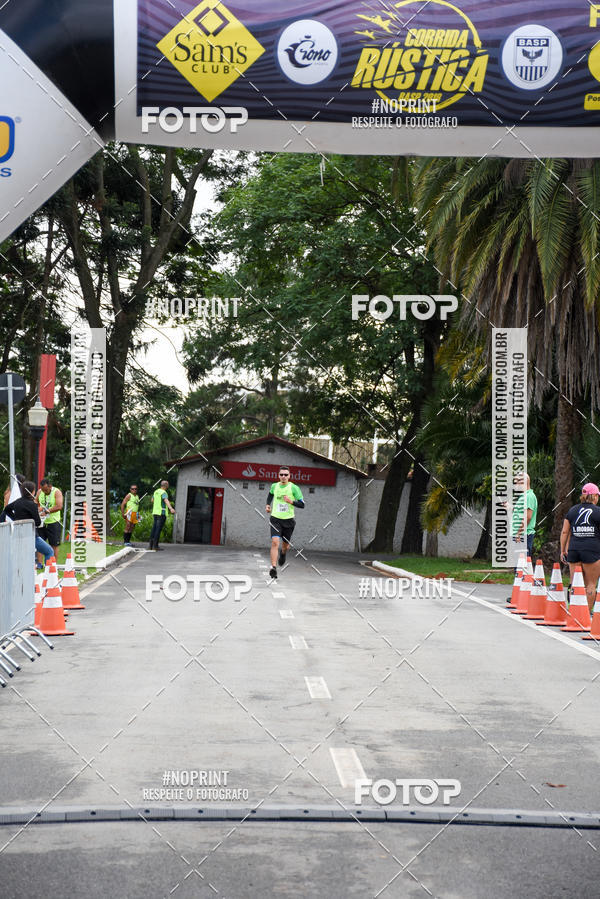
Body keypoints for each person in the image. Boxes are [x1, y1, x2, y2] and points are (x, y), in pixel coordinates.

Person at [560, 483, 600, 613]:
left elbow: (565, 532)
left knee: (575, 583)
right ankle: (586, 614)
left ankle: (574, 611)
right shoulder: (598, 512)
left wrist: (562, 550)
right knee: (591, 584)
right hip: (592, 551)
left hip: (574, 550)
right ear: (594, 496)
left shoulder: (572, 510)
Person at [0, 480, 53, 568]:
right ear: (32, 491)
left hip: (18, 534)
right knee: (49, 551)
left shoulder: (17, 502)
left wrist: (15, 519)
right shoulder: (32, 504)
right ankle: (49, 574)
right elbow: (38, 522)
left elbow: (6, 509)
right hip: (31, 535)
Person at [265, 466, 305, 579]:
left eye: (285, 475)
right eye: (281, 474)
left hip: (288, 521)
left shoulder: (294, 488)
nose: (283, 476)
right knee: (275, 542)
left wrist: (291, 501)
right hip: (275, 519)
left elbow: (302, 504)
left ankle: (283, 554)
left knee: (285, 546)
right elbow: (270, 495)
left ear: (289, 476)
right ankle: (273, 568)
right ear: (278, 475)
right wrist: (268, 505)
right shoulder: (274, 486)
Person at [511, 472, 537, 559]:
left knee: (522, 565)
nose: (516, 483)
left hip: (523, 534)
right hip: (521, 534)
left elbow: (528, 517)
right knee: (518, 565)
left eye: (518, 481)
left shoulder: (529, 496)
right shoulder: (523, 496)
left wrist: (519, 533)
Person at [37, 478, 63, 559]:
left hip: (53, 522)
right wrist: (39, 509)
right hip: (42, 522)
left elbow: (59, 506)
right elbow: (36, 502)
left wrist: (47, 511)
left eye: (46, 490)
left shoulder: (57, 492)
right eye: (42, 490)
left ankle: (53, 564)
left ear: (50, 486)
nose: (44, 492)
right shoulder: (39, 492)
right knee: (40, 542)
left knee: (54, 544)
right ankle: (39, 564)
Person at [148, 480, 174, 551]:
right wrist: (171, 508)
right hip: (161, 513)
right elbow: (166, 500)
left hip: (155, 512)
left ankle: (150, 545)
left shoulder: (156, 491)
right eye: (168, 485)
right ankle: (155, 546)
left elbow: (152, 500)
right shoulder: (163, 492)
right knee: (158, 529)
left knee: (154, 528)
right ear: (166, 485)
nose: (168, 486)